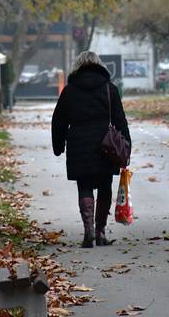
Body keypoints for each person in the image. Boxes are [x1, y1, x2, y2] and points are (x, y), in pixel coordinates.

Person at [51, 51, 131, 248]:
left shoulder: (70, 91)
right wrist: (126, 145)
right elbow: (120, 119)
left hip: (79, 144)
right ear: (99, 65)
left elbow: (58, 121)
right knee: (105, 186)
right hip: (106, 145)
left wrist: (58, 145)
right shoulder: (109, 89)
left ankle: (88, 230)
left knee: (84, 185)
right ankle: (100, 231)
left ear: (78, 67)